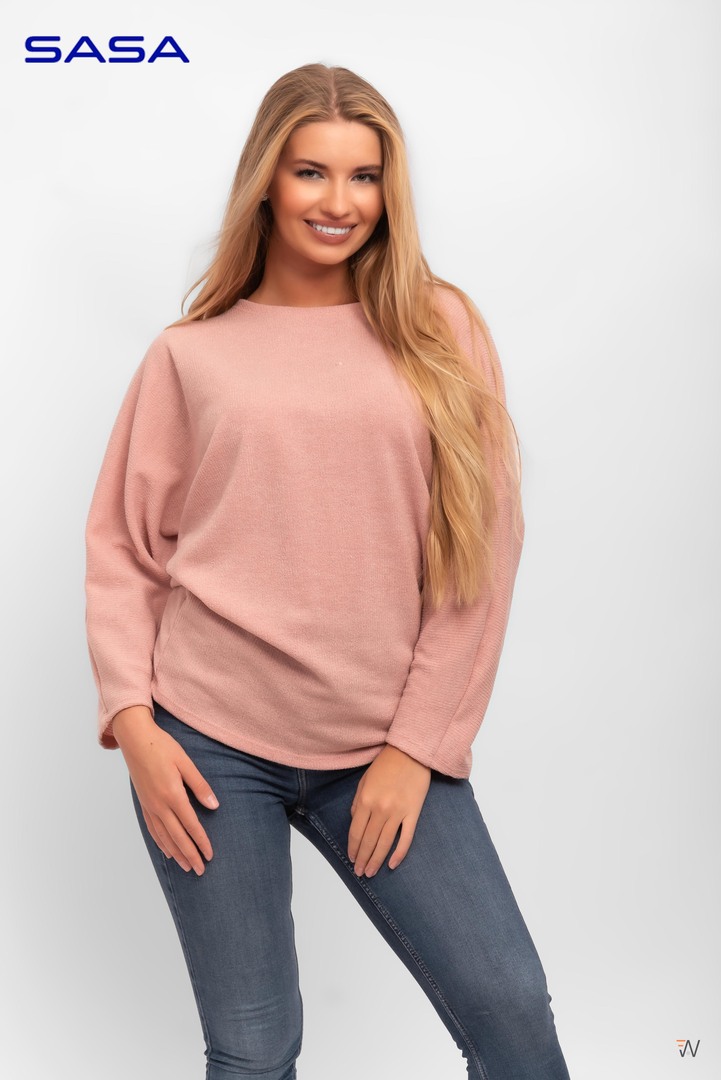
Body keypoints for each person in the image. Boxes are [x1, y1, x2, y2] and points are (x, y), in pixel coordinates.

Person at [84, 62, 571, 1080]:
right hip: (208, 745)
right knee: (253, 1049)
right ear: (266, 179)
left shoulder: (440, 328)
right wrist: (135, 727)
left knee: (511, 1014)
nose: (339, 202)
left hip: (382, 741)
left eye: (364, 176)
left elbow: (482, 553)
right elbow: (123, 549)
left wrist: (416, 746)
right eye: (312, 172)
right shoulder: (189, 354)